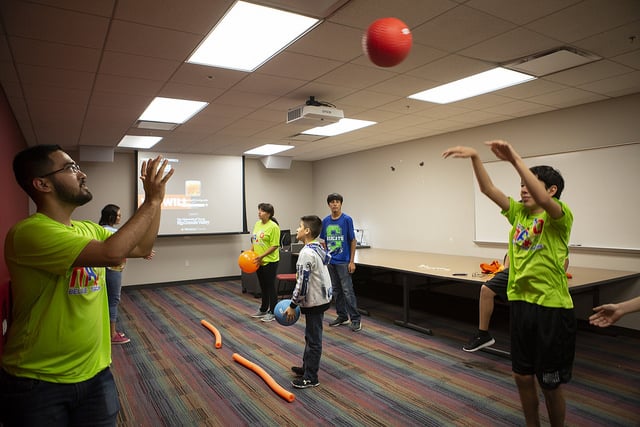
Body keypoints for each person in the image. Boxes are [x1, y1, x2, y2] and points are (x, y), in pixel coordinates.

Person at [0, 144, 173, 426]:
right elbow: (112, 253)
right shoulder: (29, 232)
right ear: (42, 183)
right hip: (38, 382)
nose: (82, 174)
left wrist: (158, 202)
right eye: (70, 168)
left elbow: (142, 247)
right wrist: (150, 202)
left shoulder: (88, 229)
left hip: (96, 374)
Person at [443, 140, 574, 427]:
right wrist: (476, 158)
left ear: (550, 190)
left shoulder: (558, 217)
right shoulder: (519, 214)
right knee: (521, 376)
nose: (523, 188)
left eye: (531, 184)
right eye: (522, 184)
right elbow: (488, 190)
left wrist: (515, 158)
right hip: (522, 305)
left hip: (551, 308)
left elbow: (542, 198)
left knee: (549, 383)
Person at [464, 256, 569, 352]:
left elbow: (564, 257)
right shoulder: (518, 235)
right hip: (517, 269)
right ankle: (483, 334)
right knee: (486, 289)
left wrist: (557, 276)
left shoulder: (551, 238)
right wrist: (506, 270)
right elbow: (511, 250)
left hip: (538, 272)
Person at [285, 215, 332, 389]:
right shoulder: (317, 247)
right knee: (311, 336)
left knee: (314, 340)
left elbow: (302, 284)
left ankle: (311, 377)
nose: (296, 230)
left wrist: (292, 305)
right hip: (322, 297)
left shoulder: (305, 253)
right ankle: (306, 368)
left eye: (299, 227)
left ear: (307, 231)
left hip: (314, 301)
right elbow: (327, 259)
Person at [321, 193, 361, 331]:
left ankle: (355, 319)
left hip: (344, 262)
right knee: (336, 291)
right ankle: (342, 316)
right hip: (331, 261)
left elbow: (352, 240)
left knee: (347, 290)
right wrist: (327, 256)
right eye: (332, 202)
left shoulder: (346, 220)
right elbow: (323, 241)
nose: (335, 204)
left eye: (337, 202)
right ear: (329, 205)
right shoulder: (325, 221)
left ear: (341, 204)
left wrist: (352, 261)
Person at [99, 204, 130, 345]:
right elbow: (123, 250)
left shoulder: (101, 229)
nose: (120, 217)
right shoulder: (111, 232)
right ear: (111, 217)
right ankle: (112, 334)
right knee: (113, 300)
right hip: (113, 269)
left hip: (106, 269)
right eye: (118, 215)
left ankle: (106, 331)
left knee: (106, 299)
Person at [249, 202, 280, 322]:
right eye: (259, 210)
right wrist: (250, 253)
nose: (259, 212)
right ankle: (263, 309)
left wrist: (261, 256)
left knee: (270, 286)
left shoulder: (273, 227)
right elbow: (255, 240)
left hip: (270, 261)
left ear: (269, 214)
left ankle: (273, 311)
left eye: (262, 211)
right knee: (263, 285)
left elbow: (274, 245)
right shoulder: (257, 224)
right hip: (258, 261)